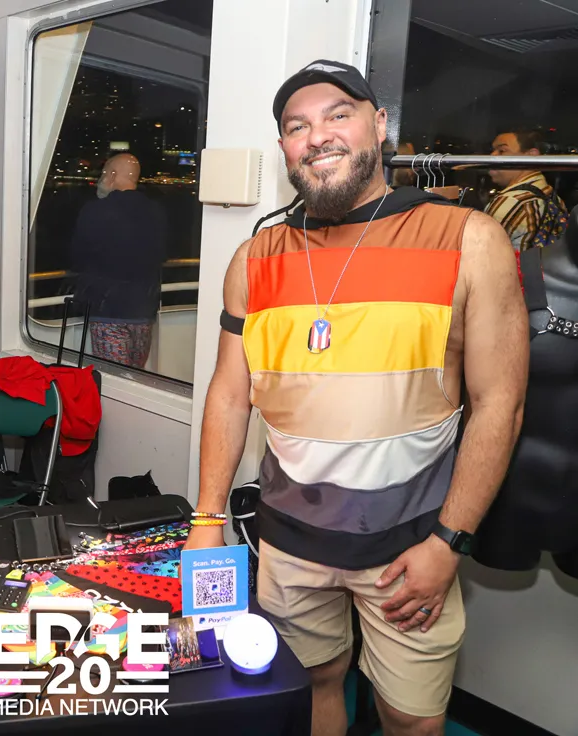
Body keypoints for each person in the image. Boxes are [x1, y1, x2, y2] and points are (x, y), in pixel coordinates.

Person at [186, 60, 528, 736]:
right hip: (288, 543)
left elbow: (501, 404)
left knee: (409, 717)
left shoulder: (467, 238)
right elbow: (230, 392)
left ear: (378, 124)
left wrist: (448, 543)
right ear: (284, 147)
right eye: (297, 126)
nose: (317, 136)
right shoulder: (255, 258)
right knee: (312, 684)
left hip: (411, 546)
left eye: (337, 115)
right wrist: (207, 517)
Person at [70, 152, 166, 369]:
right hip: (144, 311)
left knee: (113, 378)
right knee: (135, 375)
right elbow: (161, 253)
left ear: (112, 175)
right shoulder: (156, 212)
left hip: (108, 311)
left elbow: (77, 257)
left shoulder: (95, 210)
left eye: (103, 173)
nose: (101, 179)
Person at [485, 127, 566, 251]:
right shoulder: (550, 195)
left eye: (502, 151)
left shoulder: (514, 201)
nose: (492, 155)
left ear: (531, 156)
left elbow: (484, 253)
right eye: (492, 150)